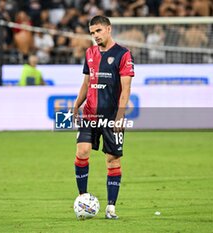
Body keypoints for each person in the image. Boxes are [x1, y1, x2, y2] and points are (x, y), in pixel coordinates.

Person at [72, 15, 134, 219]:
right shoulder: (89, 53)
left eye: (98, 31)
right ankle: (83, 198)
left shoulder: (123, 54)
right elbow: (86, 83)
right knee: (82, 151)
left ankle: (111, 208)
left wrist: (120, 116)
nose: (95, 36)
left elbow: (126, 89)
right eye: (92, 33)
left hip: (111, 117)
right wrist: (76, 105)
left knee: (112, 161)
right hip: (90, 114)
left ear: (108, 29)